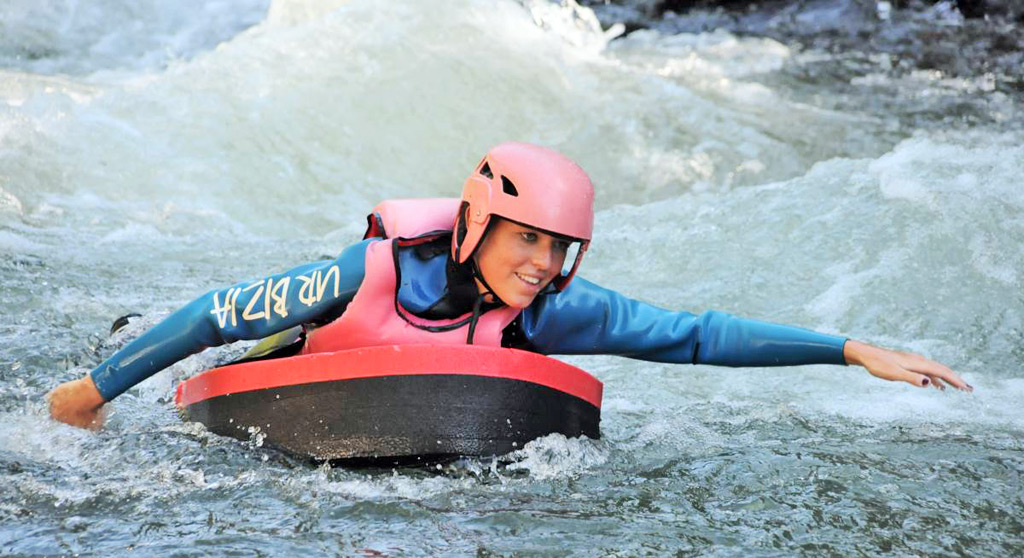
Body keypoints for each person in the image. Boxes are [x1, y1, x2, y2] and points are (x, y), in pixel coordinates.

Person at [47, 142, 972, 430]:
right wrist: (91, 393)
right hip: (268, 380)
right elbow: (214, 316)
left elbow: (695, 333)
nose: (541, 262)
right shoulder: (366, 272)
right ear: (477, 224)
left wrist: (850, 350)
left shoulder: (553, 314)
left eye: (559, 247)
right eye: (526, 237)